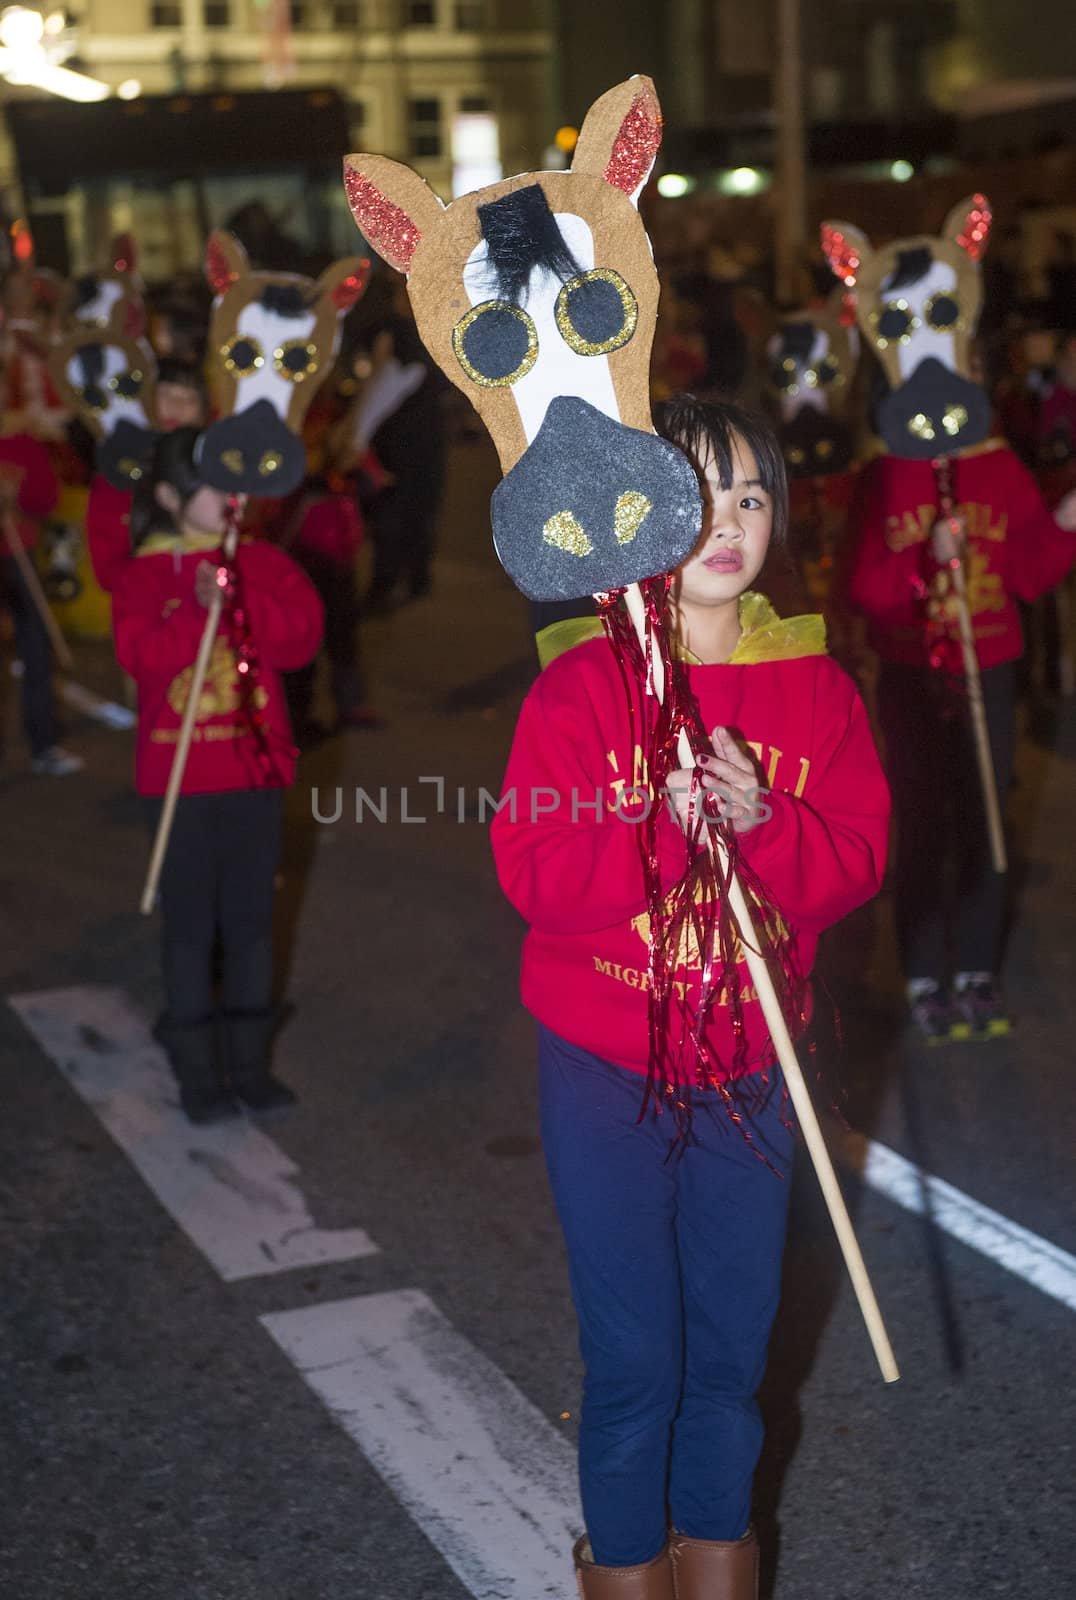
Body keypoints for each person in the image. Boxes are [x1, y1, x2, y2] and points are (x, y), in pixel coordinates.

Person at [490, 399, 889, 1596]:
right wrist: (649, 826)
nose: (729, 523)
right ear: (638, 519)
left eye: (753, 497)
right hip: (604, 1068)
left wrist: (767, 825)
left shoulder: (817, 689)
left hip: (754, 1069)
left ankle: (718, 1565)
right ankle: (621, 1565)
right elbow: (533, 875)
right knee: (633, 1361)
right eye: (701, 496)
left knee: (727, 1350)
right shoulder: (577, 692)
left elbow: (858, 860)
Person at [111, 428, 323, 1123]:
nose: (234, 498)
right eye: (214, 485)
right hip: (179, 781)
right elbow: (141, 660)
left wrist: (239, 599)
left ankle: (250, 1064)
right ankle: (199, 1073)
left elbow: (300, 641)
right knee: (190, 930)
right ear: (171, 496)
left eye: (238, 483)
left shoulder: (261, 560)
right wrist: (197, 607)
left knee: (253, 925)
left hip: (253, 774)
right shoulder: (143, 573)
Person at [0, 424, 83, 775]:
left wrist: (15, 496)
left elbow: (46, 498)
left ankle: (44, 744)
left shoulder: (22, 442)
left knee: (36, 650)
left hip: (18, 556)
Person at [86, 357, 208, 595]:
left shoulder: (214, 471)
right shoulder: (119, 472)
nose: (176, 406)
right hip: (144, 604)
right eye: (165, 394)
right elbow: (108, 570)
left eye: (189, 399)